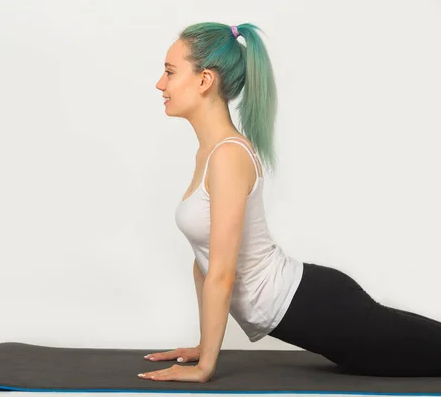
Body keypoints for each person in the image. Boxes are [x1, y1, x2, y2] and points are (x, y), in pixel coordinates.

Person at [137, 22, 441, 383]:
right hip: (314, 304)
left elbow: (223, 272)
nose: (160, 84)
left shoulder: (227, 157)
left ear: (205, 80)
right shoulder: (210, 153)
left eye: (170, 72)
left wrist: (206, 368)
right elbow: (203, 262)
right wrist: (205, 346)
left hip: (321, 308)